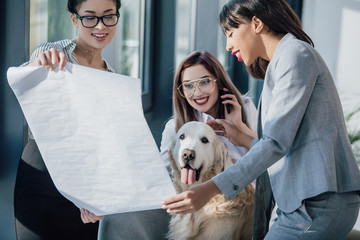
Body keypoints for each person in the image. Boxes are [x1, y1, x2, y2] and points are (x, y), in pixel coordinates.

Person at [162, 0, 360, 239]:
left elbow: (275, 144)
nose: (228, 45)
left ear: (256, 23)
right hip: (298, 205)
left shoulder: (296, 56)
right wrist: (241, 136)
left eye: (231, 33)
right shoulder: (279, 65)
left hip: (317, 203)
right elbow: (280, 144)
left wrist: (210, 189)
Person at [14, 0, 121, 239]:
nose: (100, 26)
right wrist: (37, 65)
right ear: (74, 19)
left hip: (86, 190)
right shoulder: (52, 53)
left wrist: (101, 198)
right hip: (43, 177)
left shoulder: (114, 79)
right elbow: (26, 81)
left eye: (108, 16)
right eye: (90, 17)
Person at [160, 50, 258, 178]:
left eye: (204, 82)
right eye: (188, 85)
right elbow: (164, 178)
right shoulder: (174, 128)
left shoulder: (246, 107)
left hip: (251, 195)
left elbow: (269, 153)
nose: (198, 93)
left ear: (219, 81)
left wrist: (240, 126)